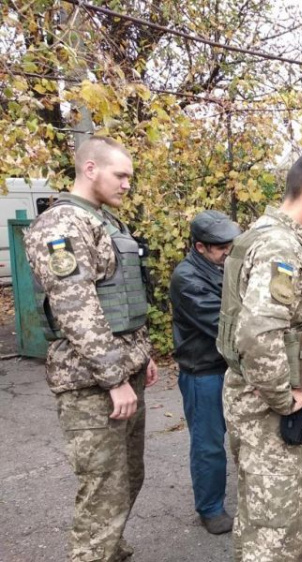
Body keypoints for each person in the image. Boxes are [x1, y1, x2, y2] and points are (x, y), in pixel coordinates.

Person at [24, 136, 159, 562]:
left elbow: (120, 303)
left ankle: (109, 550)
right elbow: (75, 307)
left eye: (130, 178)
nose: (126, 185)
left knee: (127, 479)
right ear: (90, 169)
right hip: (92, 385)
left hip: (122, 371)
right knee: (103, 491)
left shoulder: (104, 222)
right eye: (120, 175)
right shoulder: (62, 225)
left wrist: (142, 355)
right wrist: (116, 378)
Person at [217, 149, 302, 561]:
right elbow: (257, 333)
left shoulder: (264, 233)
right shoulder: (281, 246)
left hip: (248, 398)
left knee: (258, 515)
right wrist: (283, 398)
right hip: (265, 409)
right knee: (275, 533)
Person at [170, 210, 241, 534]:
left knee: (241, 437)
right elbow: (224, 324)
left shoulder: (223, 267)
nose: (228, 249)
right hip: (203, 373)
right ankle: (210, 509)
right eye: (220, 245)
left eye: (230, 242)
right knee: (208, 444)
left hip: (228, 367)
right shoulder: (187, 278)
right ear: (200, 247)